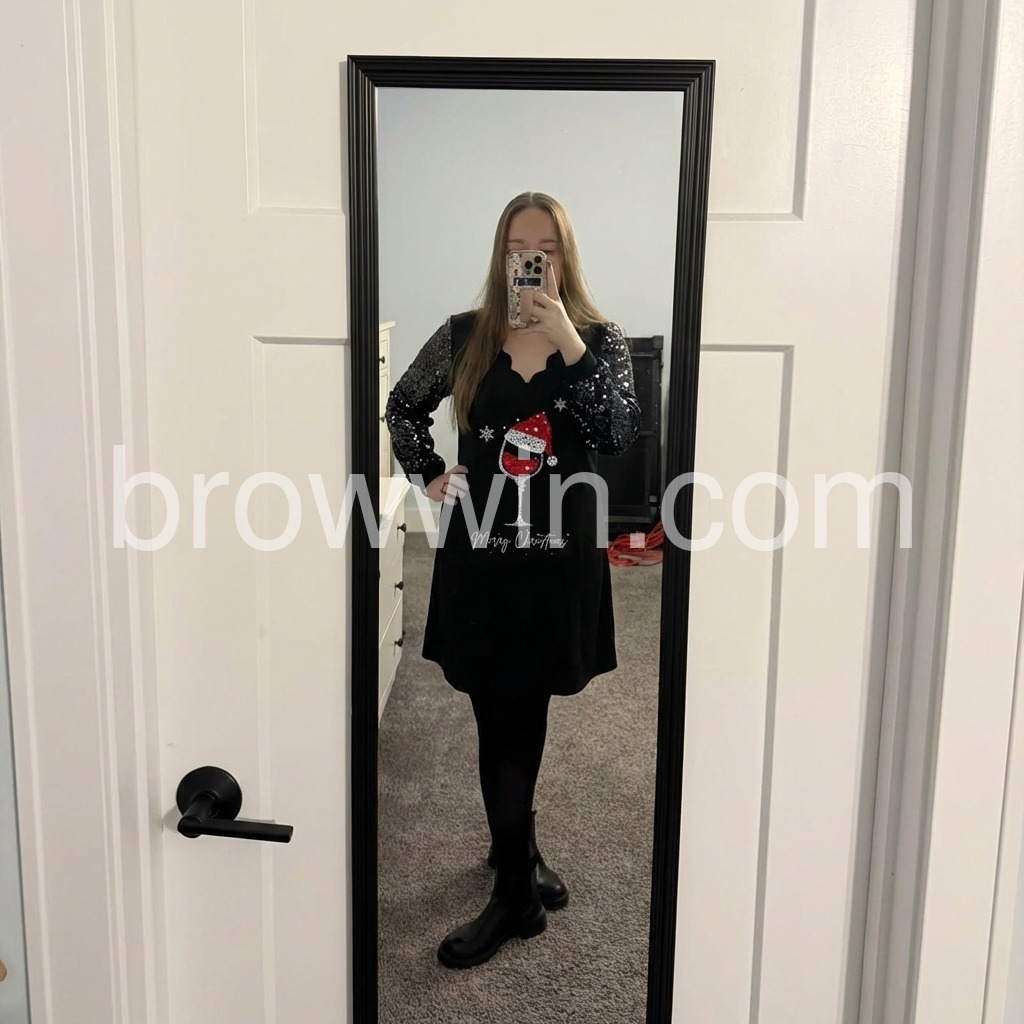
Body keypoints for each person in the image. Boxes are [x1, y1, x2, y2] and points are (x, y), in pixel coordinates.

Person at [384, 191, 642, 969]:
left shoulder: (598, 340)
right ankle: (518, 873)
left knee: (520, 708)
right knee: (500, 711)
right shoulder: (464, 335)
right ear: (501, 255)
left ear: (564, 256)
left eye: (546, 248)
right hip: (482, 553)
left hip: (558, 560)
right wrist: (429, 473)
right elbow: (403, 405)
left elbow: (618, 433)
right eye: (518, 247)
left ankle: (514, 878)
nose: (531, 260)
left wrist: (565, 336)